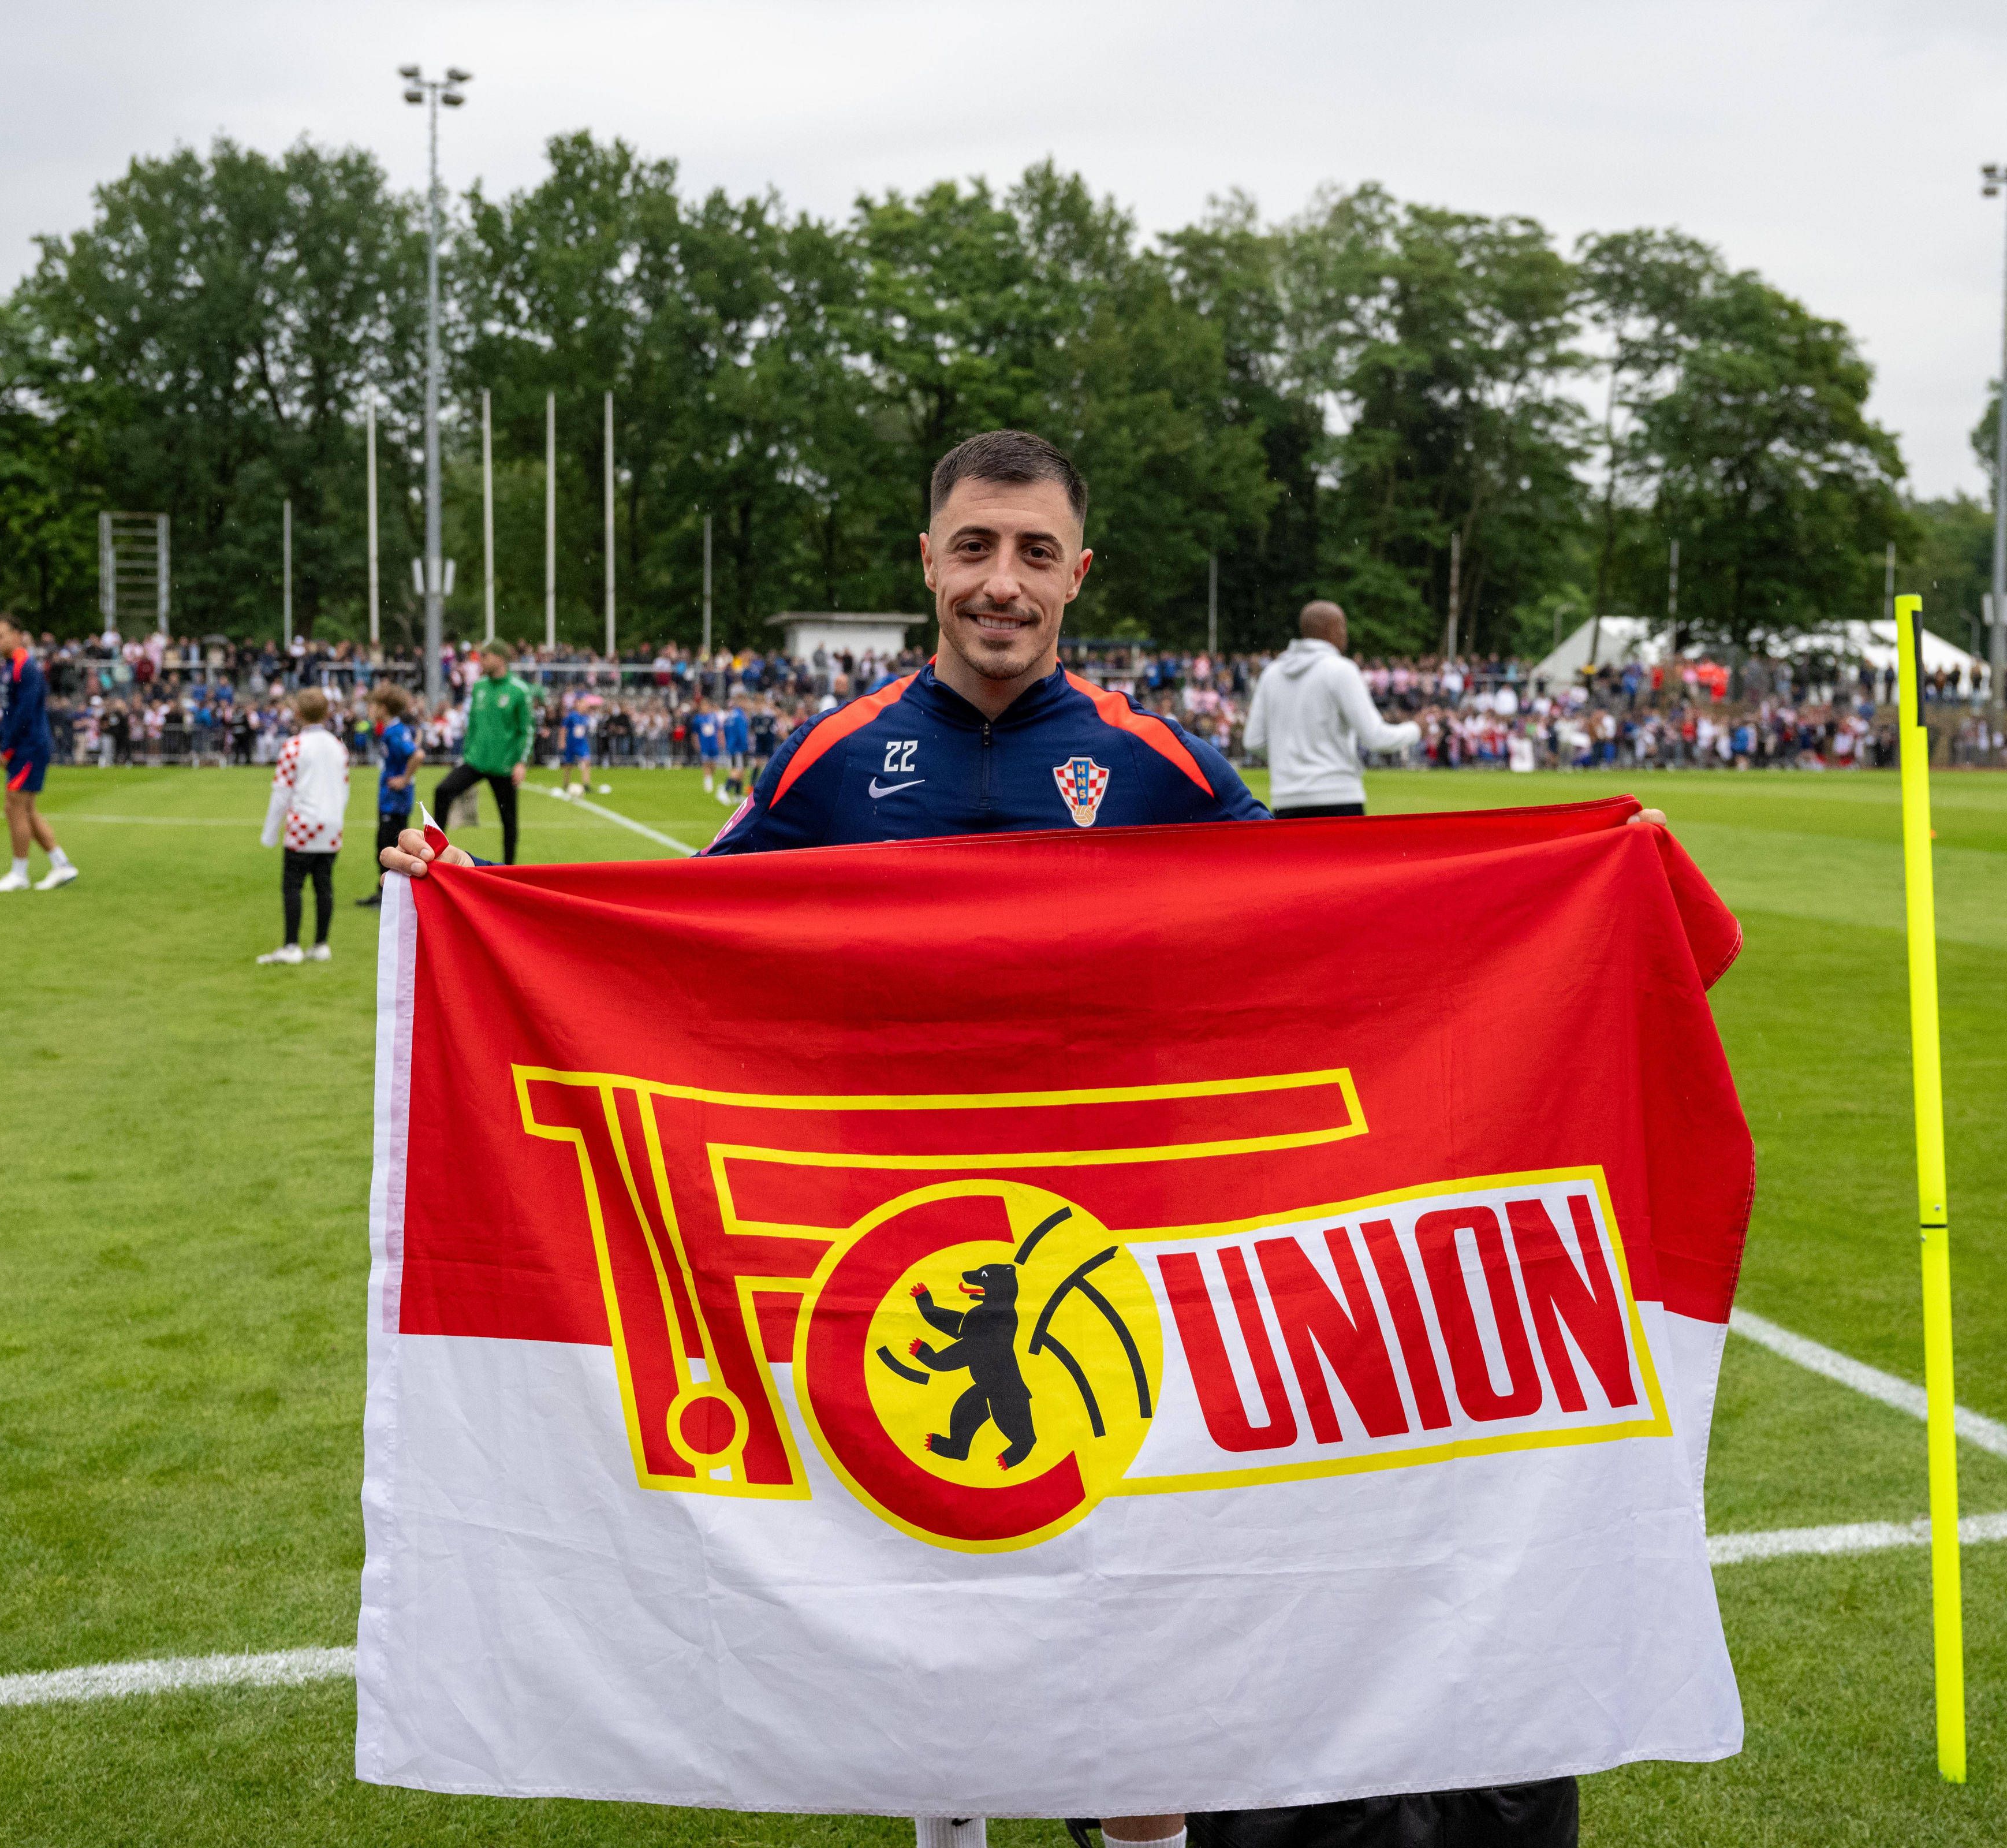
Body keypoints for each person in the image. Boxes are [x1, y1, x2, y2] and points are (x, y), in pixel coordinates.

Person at [390, 429, 1638, 1848]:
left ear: (1077, 576)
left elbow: (1326, 920)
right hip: (883, 1247)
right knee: (919, 1624)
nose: (1001, 582)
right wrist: (477, 909)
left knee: (1129, 1669)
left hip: (1110, 1261)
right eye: (974, 548)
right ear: (926, 561)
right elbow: (668, 947)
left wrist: (1581, 881)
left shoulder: (1150, 762)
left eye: (1033, 553)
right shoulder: (835, 761)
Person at [1243, 602, 1422, 817]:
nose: (1345, 635)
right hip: (1339, 797)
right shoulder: (1340, 670)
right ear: (1331, 629)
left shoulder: (1272, 674)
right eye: (1343, 627)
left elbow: (1253, 741)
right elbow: (1375, 737)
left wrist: (1292, 759)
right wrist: (1416, 729)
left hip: (1287, 800)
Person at [259, 687, 351, 964]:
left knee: (293, 885)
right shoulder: (339, 746)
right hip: (331, 826)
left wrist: (270, 832)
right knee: (324, 886)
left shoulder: (294, 746)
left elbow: (282, 792)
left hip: (303, 825)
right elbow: (344, 787)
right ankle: (321, 943)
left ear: (297, 713)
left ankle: (291, 945)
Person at [0, 616, 79, 892]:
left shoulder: (25, 668)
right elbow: (10, 712)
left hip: (30, 747)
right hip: (26, 745)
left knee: (15, 804)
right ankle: (61, 865)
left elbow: (24, 715)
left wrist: (7, 749)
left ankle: (20, 873)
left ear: (17, 636)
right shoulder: (11, 667)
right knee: (24, 808)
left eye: (0, 636)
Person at [431, 643, 535, 865]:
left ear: (500, 658)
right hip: (475, 762)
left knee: (509, 822)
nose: (481, 661)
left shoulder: (519, 690)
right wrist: (467, 753)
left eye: (485, 656)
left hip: (504, 767)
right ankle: (435, 855)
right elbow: (474, 726)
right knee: (442, 791)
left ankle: (509, 871)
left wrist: (521, 762)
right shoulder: (479, 687)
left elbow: (526, 730)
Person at [358, 684, 424, 908]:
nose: (370, 708)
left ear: (383, 708)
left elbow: (417, 754)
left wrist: (404, 779)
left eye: (374, 704)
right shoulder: (395, 729)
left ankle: (389, 894)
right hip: (392, 798)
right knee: (386, 843)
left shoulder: (394, 733)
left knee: (387, 845)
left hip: (394, 800)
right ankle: (384, 893)